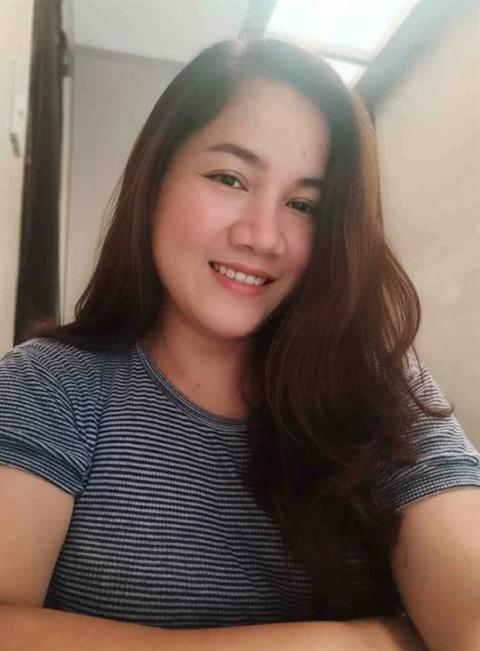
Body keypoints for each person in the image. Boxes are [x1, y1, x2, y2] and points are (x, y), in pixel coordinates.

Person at [0, 38, 479, 651]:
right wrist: (361, 642)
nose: (262, 236)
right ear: (156, 177)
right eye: (229, 178)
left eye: (303, 204)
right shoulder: (48, 385)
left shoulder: (382, 386)